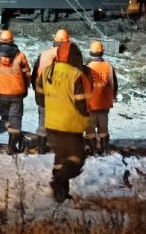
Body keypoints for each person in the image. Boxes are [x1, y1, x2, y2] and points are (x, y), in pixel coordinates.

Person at [35, 41, 93, 202]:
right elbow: (82, 103)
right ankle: (58, 182)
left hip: (52, 125)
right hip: (70, 126)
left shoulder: (47, 72)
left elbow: (40, 99)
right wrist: (87, 121)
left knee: (61, 157)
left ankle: (60, 194)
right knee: (76, 158)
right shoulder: (76, 75)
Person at [31, 28, 71, 154]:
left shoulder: (43, 55)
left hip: (43, 94)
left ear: (54, 40)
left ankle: (42, 148)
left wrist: (37, 90)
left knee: (43, 120)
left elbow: (34, 75)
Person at [85, 40, 118, 155]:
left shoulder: (87, 68)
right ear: (102, 52)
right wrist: (111, 97)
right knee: (103, 129)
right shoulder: (109, 67)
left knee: (90, 130)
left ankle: (93, 151)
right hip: (104, 104)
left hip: (90, 105)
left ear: (91, 52)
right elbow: (114, 85)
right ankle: (104, 150)